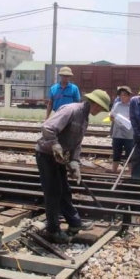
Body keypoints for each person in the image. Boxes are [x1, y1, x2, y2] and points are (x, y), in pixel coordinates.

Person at [36, 89, 110, 243]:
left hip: (60, 157)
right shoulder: (71, 110)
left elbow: (76, 143)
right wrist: (55, 145)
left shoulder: (84, 117)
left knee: (65, 191)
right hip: (46, 155)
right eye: (101, 108)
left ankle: (74, 223)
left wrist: (75, 162)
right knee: (53, 193)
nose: (101, 111)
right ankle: (53, 230)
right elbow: (48, 128)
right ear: (95, 103)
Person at [110, 86, 134, 173]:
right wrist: (112, 117)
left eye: (125, 95)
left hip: (129, 134)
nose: (123, 97)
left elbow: (135, 119)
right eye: (121, 95)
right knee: (116, 153)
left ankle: (131, 172)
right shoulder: (116, 105)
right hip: (117, 133)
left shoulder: (132, 106)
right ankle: (114, 170)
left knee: (129, 154)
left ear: (129, 96)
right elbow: (111, 118)